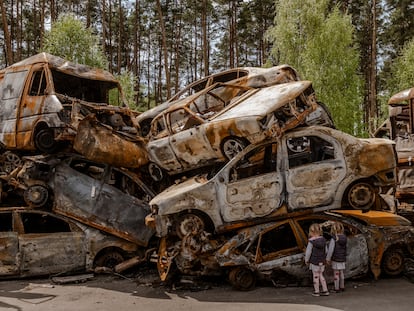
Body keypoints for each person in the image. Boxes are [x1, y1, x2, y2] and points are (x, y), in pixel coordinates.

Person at [305, 223, 329, 297]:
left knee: (315, 276)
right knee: (321, 275)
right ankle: (325, 290)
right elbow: (326, 251)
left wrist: (306, 260)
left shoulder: (311, 242)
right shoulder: (323, 240)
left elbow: (308, 252)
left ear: (311, 232)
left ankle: (317, 291)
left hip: (314, 261)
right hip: (322, 260)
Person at [326, 221, 347, 293]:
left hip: (336, 258)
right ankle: (342, 286)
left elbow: (331, 250)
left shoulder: (334, 239)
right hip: (342, 258)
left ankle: (336, 288)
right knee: (341, 273)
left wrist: (328, 258)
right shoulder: (344, 238)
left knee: (336, 274)